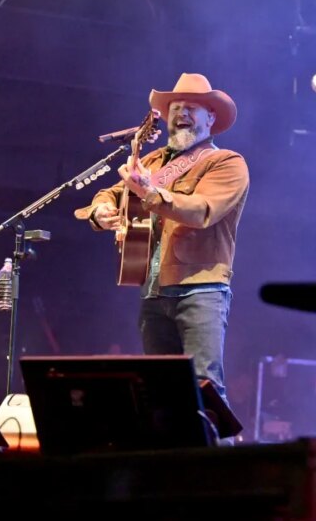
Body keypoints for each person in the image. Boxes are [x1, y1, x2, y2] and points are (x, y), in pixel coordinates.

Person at [76, 73, 250, 401]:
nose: (181, 113)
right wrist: (100, 210)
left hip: (200, 290)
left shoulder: (226, 163)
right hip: (152, 291)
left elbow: (202, 210)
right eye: (176, 107)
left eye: (192, 108)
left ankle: (214, 438)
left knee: (204, 387)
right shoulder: (152, 161)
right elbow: (111, 192)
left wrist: (151, 193)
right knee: (161, 392)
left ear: (211, 117)